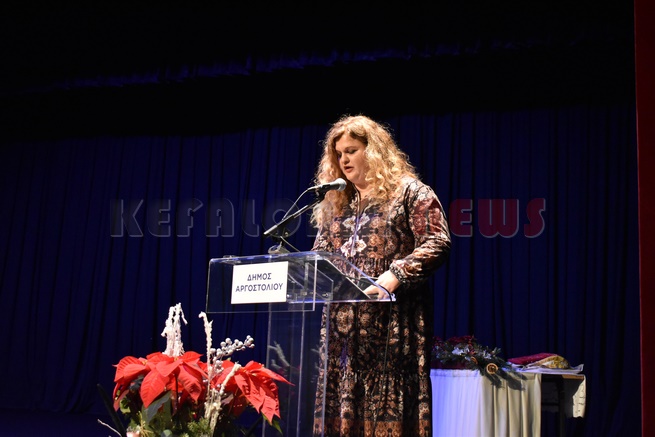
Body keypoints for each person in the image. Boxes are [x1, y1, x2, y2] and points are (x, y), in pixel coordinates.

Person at [310, 114, 451, 437]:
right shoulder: (337, 201)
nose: (344, 160)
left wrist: (396, 273)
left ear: (373, 150)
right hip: (342, 340)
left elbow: (437, 241)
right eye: (339, 154)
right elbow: (320, 257)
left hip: (392, 331)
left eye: (351, 151)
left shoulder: (410, 192)